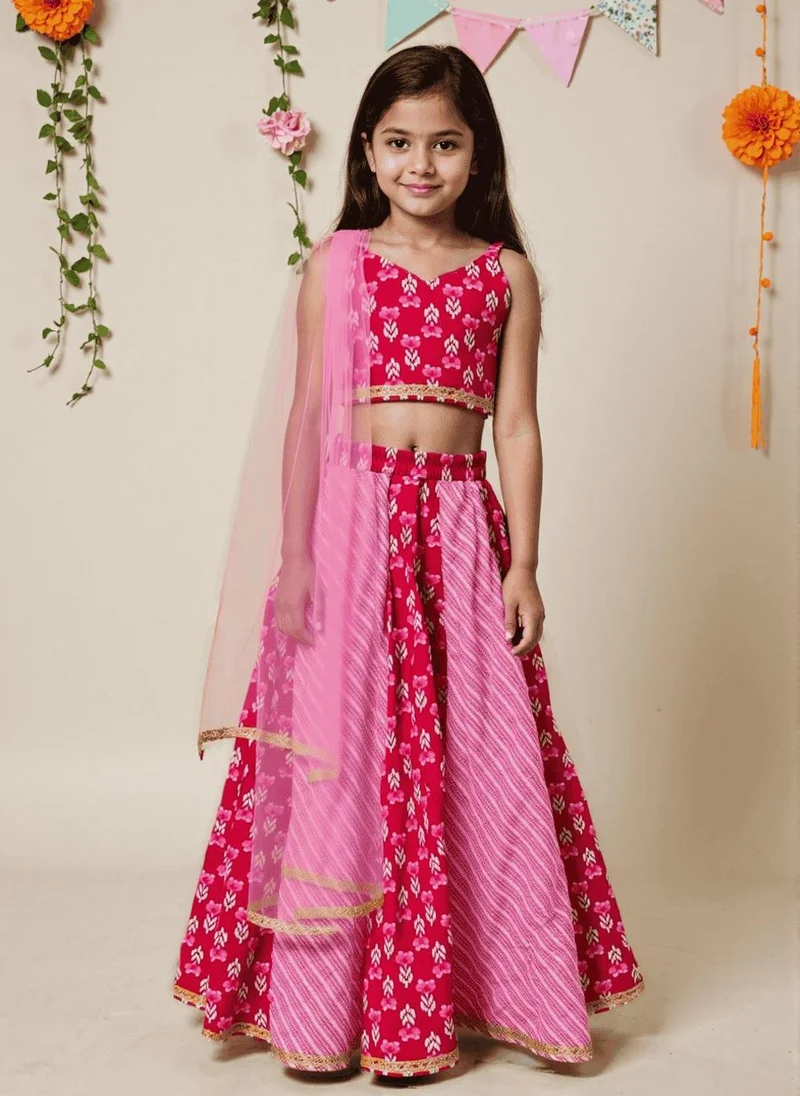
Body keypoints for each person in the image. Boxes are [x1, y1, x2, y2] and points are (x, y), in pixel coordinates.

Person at [172, 43, 645, 1082]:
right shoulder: (336, 264)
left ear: (479, 155)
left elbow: (516, 427)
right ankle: (316, 1008)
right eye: (397, 142)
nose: (419, 164)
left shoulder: (504, 275)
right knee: (342, 757)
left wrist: (525, 564)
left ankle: (482, 990)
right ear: (365, 151)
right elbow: (305, 421)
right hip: (349, 530)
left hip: (459, 534)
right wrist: (296, 557)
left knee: (478, 755)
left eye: (444, 143)